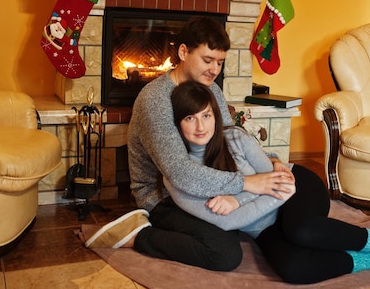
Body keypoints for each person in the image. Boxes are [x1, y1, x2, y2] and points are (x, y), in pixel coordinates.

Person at [85, 16, 295, 272]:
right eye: (207, 60)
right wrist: (248, 184)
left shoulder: (211, 90)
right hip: (164, 196)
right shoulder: (155, 99)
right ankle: (139, 236)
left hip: (207, 181)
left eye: (219, 62)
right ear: (183, 52)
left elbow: (230, 138)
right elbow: (179, 173)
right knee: (224, 253)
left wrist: (270, 162)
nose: (214, 70)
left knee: (280, 198)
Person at [168, 81, 370, 284]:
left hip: (298, 188)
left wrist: (237, 198)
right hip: (262, 227)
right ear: (177, 124)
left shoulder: (234, 138)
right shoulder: (179, 173)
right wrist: (254, 189)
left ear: (215, 116)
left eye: (206, 115)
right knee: (294, 270)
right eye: (190, 118)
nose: (201, 126)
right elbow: (227, 221)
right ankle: (369, 260)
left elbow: (280, 184)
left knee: (301, 230)